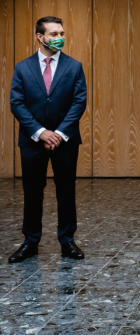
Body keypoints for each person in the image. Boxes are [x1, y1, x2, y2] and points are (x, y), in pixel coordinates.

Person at [9, 16, 87, 263]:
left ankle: (67, 242)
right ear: (39, 37)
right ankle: (30, 242)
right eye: (53, 34)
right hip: (32, 141)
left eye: (61, 32)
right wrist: (41, 132)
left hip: (66, 140)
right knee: (32, 191)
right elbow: (17, 104)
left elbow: (79, 102)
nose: (59, 37)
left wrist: (60, 133)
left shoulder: (74, 67)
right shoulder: (22, 67)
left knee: (66, 190)